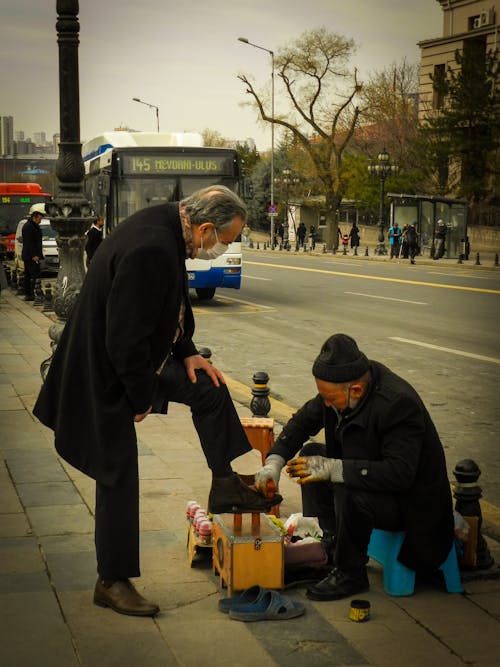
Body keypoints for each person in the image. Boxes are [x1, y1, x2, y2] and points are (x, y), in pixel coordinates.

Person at [33, 185, 280, 618]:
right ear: (204, 227)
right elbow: (124, 340)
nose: (223, 248)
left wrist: (188, 353)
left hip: (134, 357)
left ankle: (224, 484)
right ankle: (111, 580)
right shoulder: (153, 247)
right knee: (118, 472)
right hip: (102, 370)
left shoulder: (169, 227)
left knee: (210, 387)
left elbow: (163, 310)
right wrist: (140, 399)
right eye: (225, 239)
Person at [254, 333, 454, 601]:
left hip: (413, 505)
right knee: (311, 456)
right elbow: (302, 422)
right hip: (376, 481)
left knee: (347, 485)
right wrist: (273, 464)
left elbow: (400, 474)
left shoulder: (397, 404)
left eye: (329, 398)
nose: (325, 403)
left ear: (356, 390)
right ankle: (334, 546)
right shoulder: (340, 389)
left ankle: (351, 572)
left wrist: (333, 469)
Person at [21, 203, 45, 300]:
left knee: (31, 274)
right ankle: (30, 293)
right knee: (32, 275)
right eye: (40, 218)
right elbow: (29, 243)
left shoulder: (34, 226)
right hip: (30, 256)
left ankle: (30, 293)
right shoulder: (28, 227)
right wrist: (34, 255)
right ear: (35, 217)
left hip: (33, 255)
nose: (41, 220)